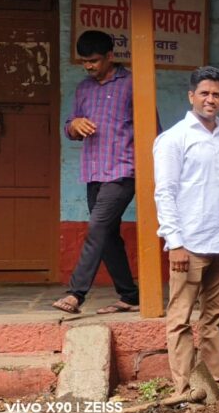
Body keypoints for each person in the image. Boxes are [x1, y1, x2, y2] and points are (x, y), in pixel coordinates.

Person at [154, 66, 219, 396]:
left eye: (217, 94)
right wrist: (175, 242)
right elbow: (164, 193)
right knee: (180, 319)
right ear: (191, 96)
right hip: (190, 244)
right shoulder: (173, 139)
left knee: (215, 318)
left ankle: (211, 388)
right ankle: (184, 389)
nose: (211, 99)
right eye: (205, 93)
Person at [53, 30, 158, 315]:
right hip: (93, 171)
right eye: (84, 62)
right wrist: (74, 125)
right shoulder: (83, 89)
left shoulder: (133, 84)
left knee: (98, 227)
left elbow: (153, 129)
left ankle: (76, 293)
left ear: (110, 56)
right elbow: (70, 126)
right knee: (108, 234)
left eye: (95, 61)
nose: (89, 66)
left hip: (124, 170)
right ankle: (129, 295)